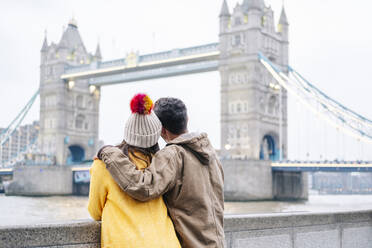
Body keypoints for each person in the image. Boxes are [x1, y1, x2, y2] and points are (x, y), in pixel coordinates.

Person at [98, 97, 225, 248]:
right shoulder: (211, 154)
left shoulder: (173, 154)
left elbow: (143, 187)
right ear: (187, 119)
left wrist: (109, 153)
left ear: (162, 130)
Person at [88, 93, 181, 248]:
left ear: (128, 132)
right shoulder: (161, 164)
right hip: (168, 242)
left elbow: (95, 212)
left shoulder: (103, 166)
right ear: (155, 136)